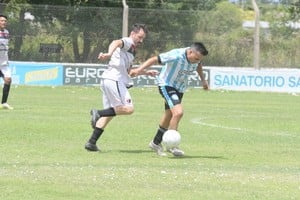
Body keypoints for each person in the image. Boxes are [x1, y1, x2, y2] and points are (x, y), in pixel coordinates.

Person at [85, 24, 158, 152]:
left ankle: (91, 142)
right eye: (140, 37)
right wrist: (108, 54)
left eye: (143, 39)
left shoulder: (132, 50)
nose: (141, 40)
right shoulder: (128, 42)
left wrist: (146, 73)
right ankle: (98, 113)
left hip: (109, 79)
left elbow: (129, 72)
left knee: (112, 112)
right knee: (128, 109)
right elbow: (116, 42)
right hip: (115, 79)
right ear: (133, 33)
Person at [130, 42, 209, 156]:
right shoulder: (176, 55)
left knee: (169, 115)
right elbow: (154, 59)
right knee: (178, 113)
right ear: (190, 51)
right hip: (167, 85)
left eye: (199, 59)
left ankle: (155, 143)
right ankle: (172, 146)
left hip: (180, 88)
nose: (197, 61)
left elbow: (199, 65)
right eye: (196, 58)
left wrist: (203, 80)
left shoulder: (196, 59)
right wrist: (138, 70)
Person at [0, 14, 13, 110]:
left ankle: (4, 103)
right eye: (2, 21)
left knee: (8, 80)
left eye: (5, 21)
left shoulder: (6, 32)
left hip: (4, 63)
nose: (4, 22)